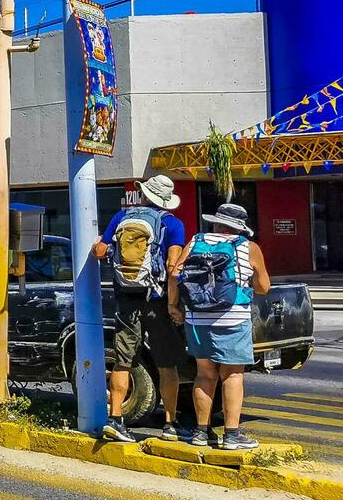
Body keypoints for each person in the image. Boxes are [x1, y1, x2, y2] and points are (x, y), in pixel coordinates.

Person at [91, 174, 188, 442]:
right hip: (157, 300)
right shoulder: (173, 224)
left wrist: (100, 245)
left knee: (124, 361)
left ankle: (116, 419)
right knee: (168, 365)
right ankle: (170, 425)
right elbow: (172, 267)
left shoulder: (122, 219)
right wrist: (173, 304)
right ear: (165, 201)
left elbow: (100, 251)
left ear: (144, 195)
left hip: (126, 299)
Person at [170, 203, 270, 450]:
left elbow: (174, 274)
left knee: (204, 374)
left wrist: (173, 306)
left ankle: (201, 433)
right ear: (239, 227)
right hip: (232, 318)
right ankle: (232, 436)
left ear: (216, 222)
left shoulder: (196, 241)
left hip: (197, 318)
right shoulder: (248, 247)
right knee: (233, 375)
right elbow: (263, 287)